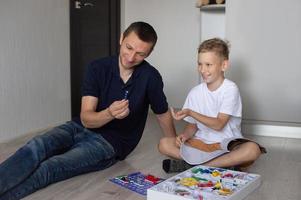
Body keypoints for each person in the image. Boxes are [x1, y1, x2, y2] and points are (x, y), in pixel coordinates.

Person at [0, 21, 176, 200]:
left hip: (111, 143)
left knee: (51, 167)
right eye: (128, 48)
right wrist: (109, 113)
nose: (131, 57)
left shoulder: (151, 77)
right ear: (121, 38)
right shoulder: (97, 68)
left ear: (149, 53)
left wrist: (174, 146)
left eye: (140, 54)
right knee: (36, 146)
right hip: (78, 127)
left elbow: (162, 113)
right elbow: (86, 118)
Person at [158, 38, 265, 173]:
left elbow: (219, 124)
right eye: (200, 64)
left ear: (224, 65)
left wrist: (191, 112)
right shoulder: (195, 92)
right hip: (201, 144)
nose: (203, 70)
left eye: (208, 64)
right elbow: (193, 125)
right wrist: (184, 136)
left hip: (226, 145)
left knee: (252, 150)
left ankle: (194, 166)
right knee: (164, 144)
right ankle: (220, 165)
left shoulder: (230, 89)